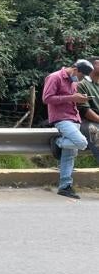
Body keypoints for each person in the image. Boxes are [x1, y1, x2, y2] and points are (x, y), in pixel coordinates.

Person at [43, 59, 92, 199]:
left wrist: (79, 99)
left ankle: (65, 187)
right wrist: (71, 97)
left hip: (74, 118)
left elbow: (70, 99)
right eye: (82, 76)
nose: (81, 79)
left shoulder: (74, 82)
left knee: (69, 155)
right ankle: (57, 142)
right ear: (76, 70)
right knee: (82, 143)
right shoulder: (55, 77)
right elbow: (47, 98)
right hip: (61, 118)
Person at [77, 58, 99, 162]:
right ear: (91, 66)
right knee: (94, 131)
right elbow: (84, 111)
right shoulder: (81, 84)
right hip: (87, 121)